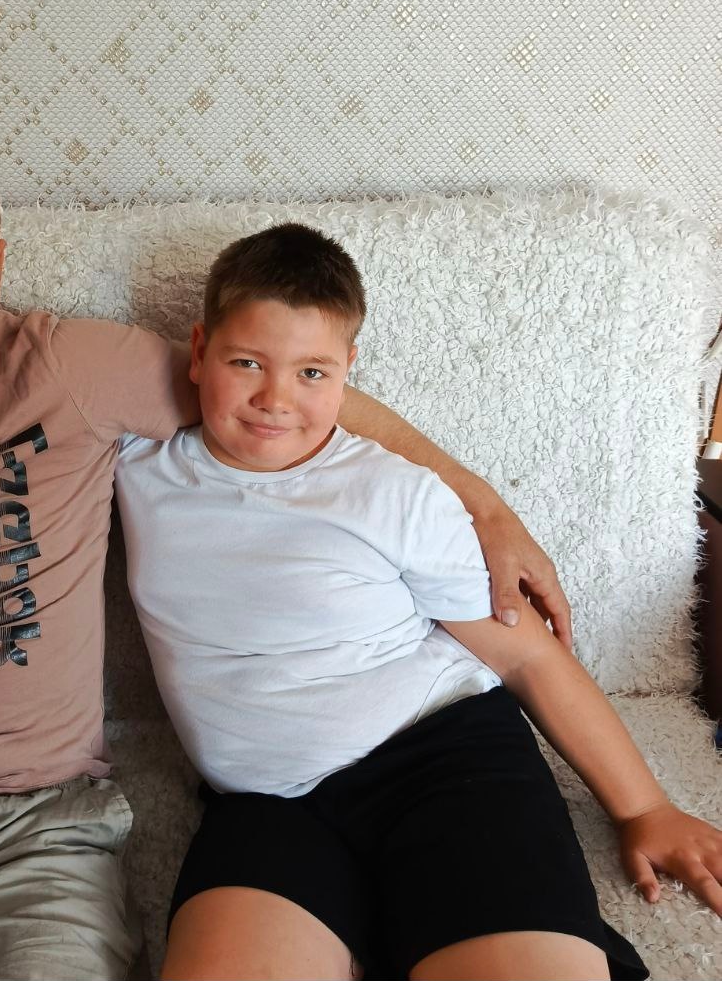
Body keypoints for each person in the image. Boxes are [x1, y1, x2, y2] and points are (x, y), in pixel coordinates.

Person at [0, 119, 571, 981]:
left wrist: (484, 505)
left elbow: (280, 387)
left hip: (26, 841)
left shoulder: (64, 370)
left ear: (0, 267)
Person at [112, 223, 722, 981]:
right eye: (246, 363)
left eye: (311, 372)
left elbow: (524, 655)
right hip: (266, 802)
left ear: (348, 372)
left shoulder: (394, 492)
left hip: (441, 762)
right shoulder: (138, 452)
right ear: (199, 350)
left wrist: (643, 808)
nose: (274, 399)